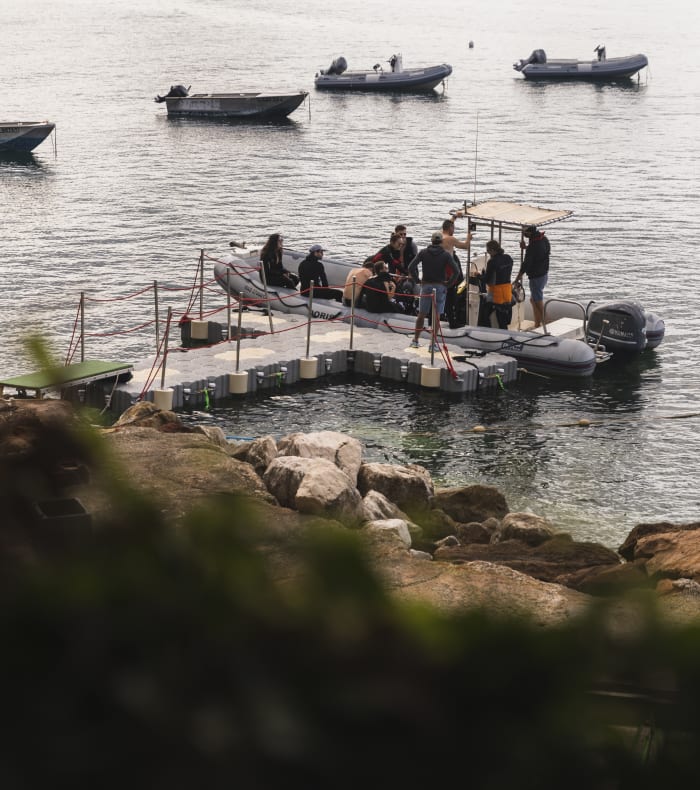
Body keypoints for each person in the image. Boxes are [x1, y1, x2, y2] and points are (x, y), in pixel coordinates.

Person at [408, 231, 459, 349]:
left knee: (421, 314)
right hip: (440, 286)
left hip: (425, 286)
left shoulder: (423, 253)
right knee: (436, 316)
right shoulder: (446, 255)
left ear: (431, 241)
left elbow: (411, 266)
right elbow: (456, 271)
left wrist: (417, 280)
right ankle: (432, 344)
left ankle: (415, 340)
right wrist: (449, 284)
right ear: (441, 242)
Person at [514, 225, 550, 329]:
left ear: (529, 233)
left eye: (524, 232)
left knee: (537, 300)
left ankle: (546, 324)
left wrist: (517, 279)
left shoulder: (533, 246)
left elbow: (526, 265)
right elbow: (541, 253)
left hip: (536, 277)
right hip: (544, 274)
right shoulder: (543, 239)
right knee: (533, 300)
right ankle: (537, 324)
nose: (523, 234)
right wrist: (526, 248)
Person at [440, 217, 473, 327]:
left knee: (441, 295)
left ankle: (435, 318)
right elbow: (465, 246)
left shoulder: (439, 235)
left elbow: (447, 226)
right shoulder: (450, 239)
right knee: (451, 296)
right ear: (450, 228)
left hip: (438, 269)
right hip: (448, 270)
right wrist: (469, 237)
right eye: (453, 228)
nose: (454, 230)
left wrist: (454, 218)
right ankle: (452, 322)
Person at [481, 239, 514, 329]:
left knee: (485, 312)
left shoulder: (492, 262)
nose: (487, 252)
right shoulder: (508, 258)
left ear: (492, 250)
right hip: (507, 291)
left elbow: (487, 280)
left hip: (496, 293)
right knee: (503, 316)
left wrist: (478, 275)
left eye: (488, 250)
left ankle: (487, 331)